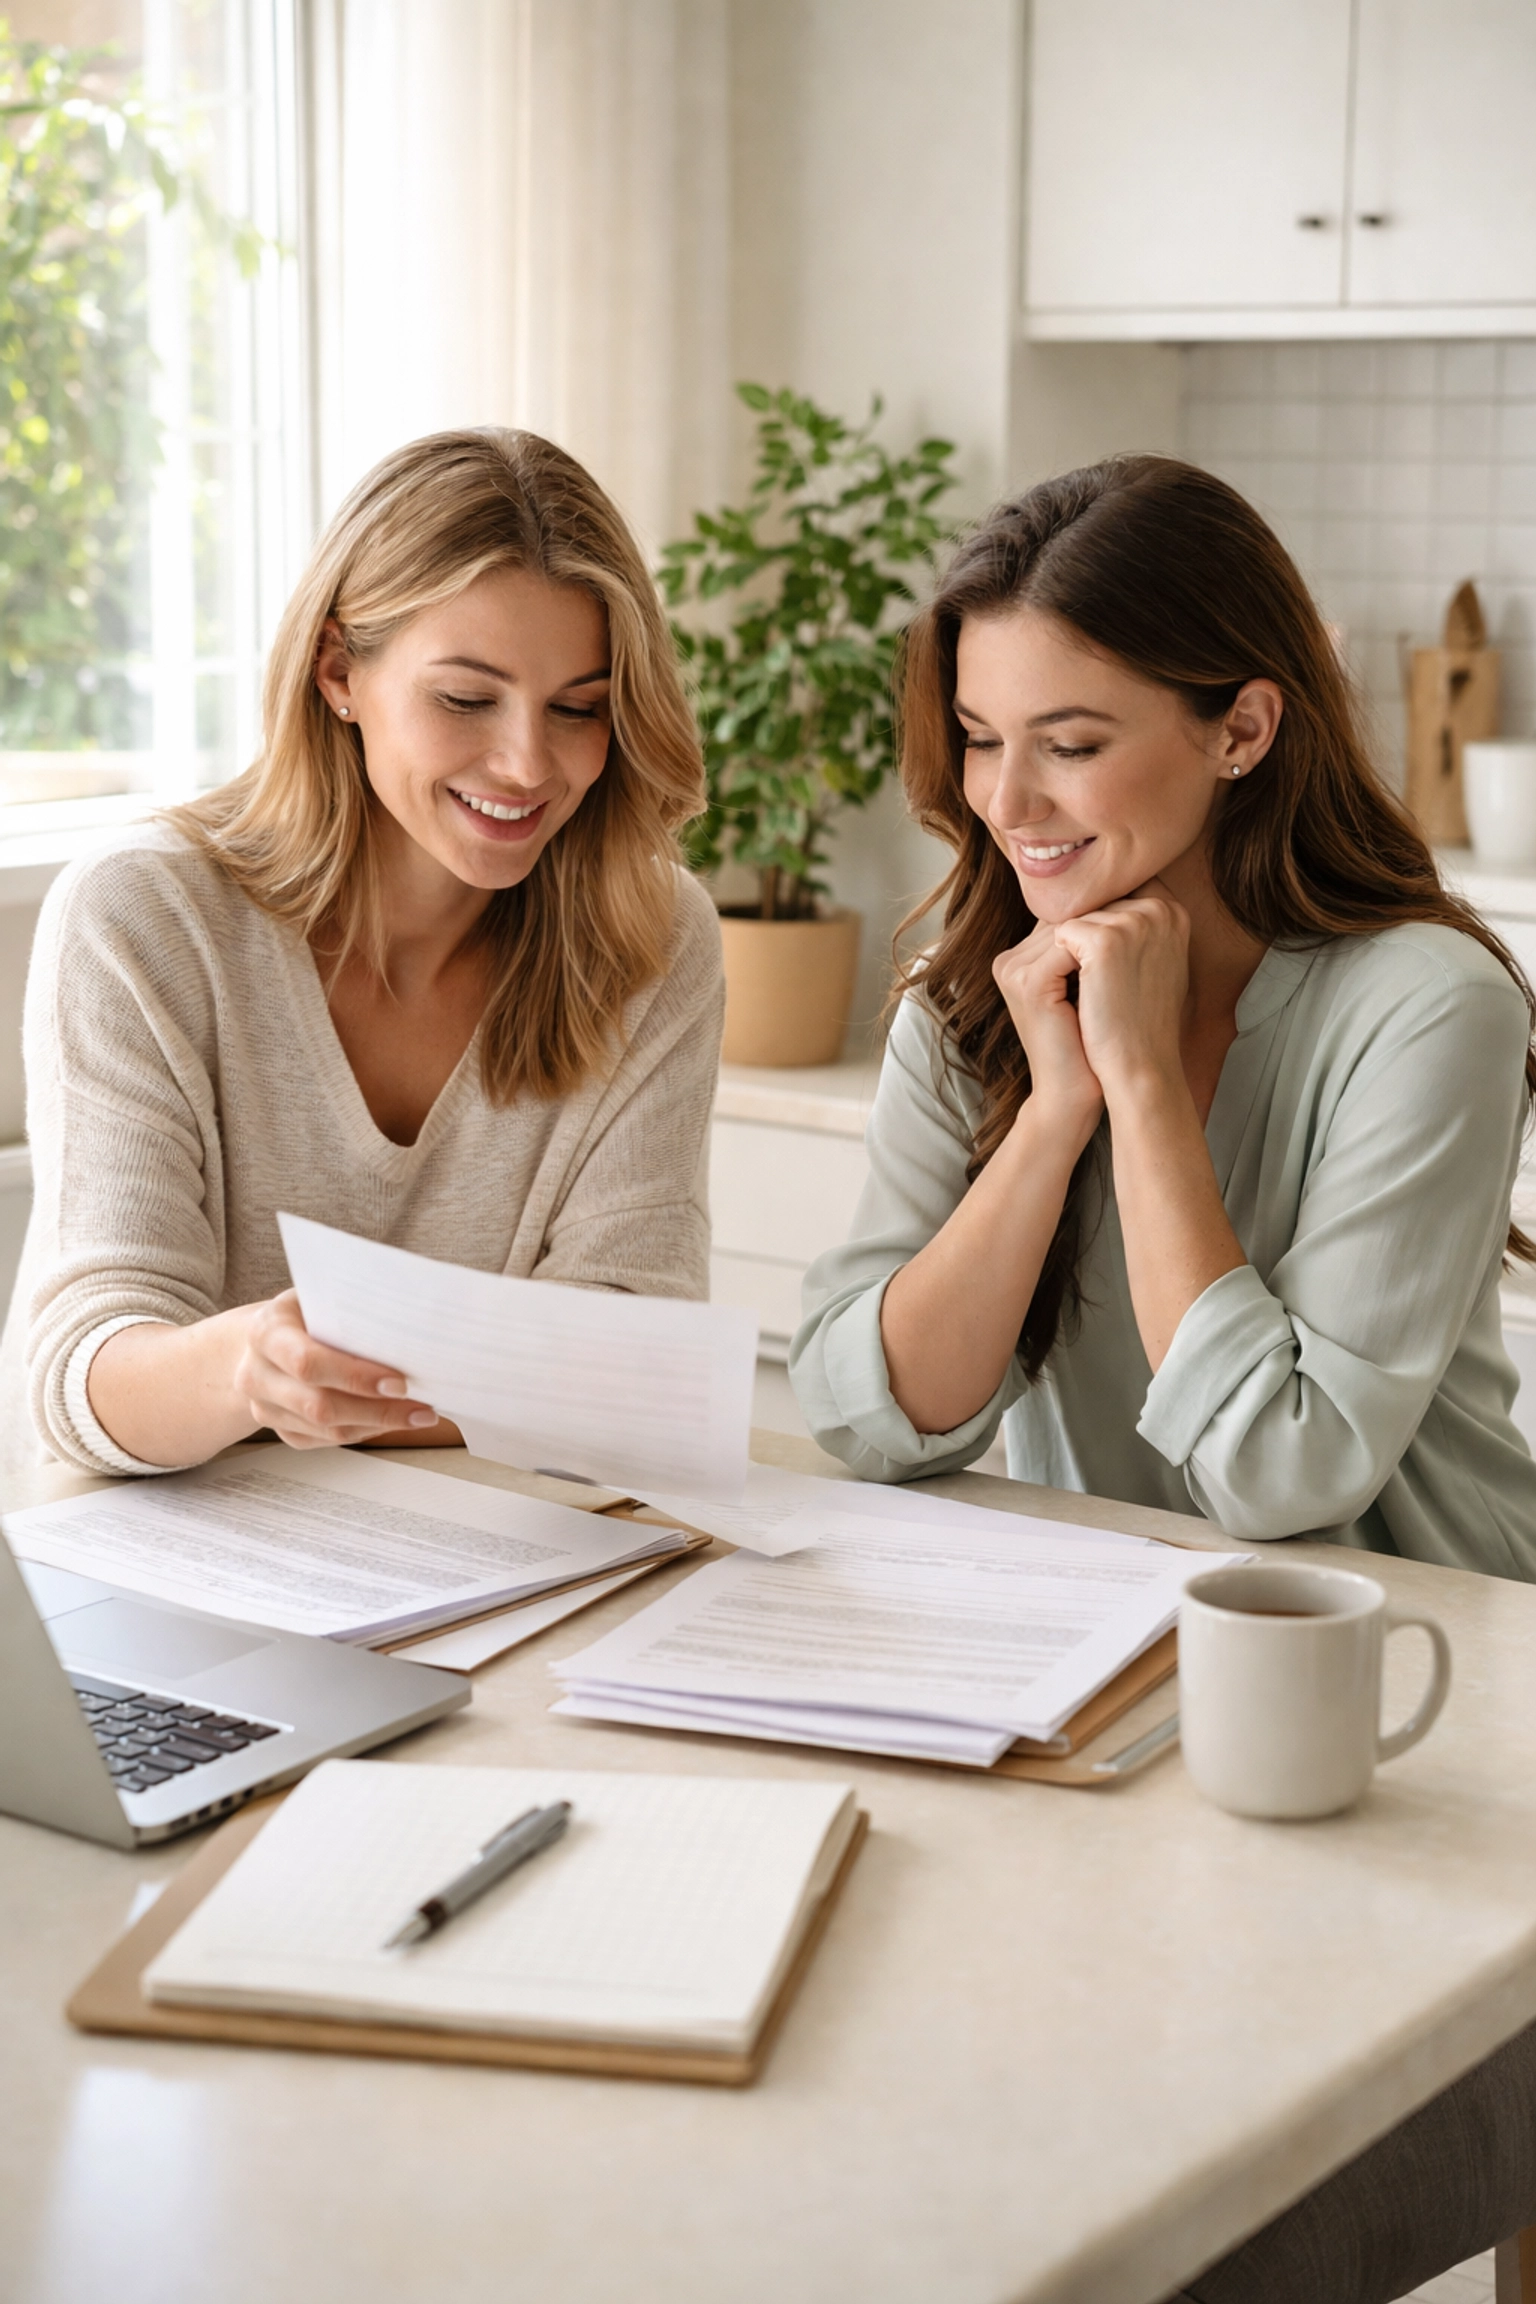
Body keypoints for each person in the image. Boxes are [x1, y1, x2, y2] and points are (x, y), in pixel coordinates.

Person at [791, 454, 1536, 1580]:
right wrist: (1056, 1112)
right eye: (982, 736)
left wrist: (1139, 1086)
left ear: (1241, 729)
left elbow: (1281, 1473)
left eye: (1072, 745)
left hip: (1428, 1649)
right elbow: (872, 1421)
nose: (1005, 800)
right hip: (1103, 1629)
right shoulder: (974, 999)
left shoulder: (1429, 1009)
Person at [2, 427, 723, 1478]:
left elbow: (632, 1366)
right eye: (465, 699)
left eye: (580, 708)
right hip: (180, 1577)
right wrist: (249, 1368)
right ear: (340, 670)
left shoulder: (648, 936)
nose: (528, 764)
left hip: (489, 1572)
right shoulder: (142, 917)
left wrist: (377, 1387)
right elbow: (79, 1380)